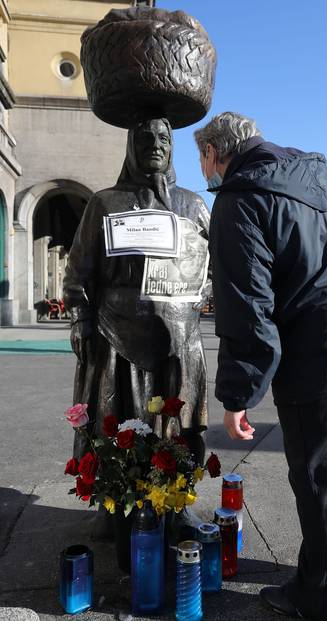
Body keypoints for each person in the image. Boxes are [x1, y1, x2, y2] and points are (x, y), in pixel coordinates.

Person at [194, 112, 327, 621]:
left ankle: (319, 594)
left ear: (215, 153)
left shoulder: (238, 199)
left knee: (318, 472)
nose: (202, 171)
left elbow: (246, 307)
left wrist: (238, 394)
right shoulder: (316, 172)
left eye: (200, 158)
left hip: (325, 343)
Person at [63, 119, 210, 538]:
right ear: (130, 146)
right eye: (145, 138)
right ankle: (114, 504)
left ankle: (178, 504)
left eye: (164, 139)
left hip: (179, 335)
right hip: (117, 333)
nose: (155, 146)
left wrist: (200, 287)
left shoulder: (192, 205)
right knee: (117, 420)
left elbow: (215, 265)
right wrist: (81, 318)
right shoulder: (105, 203)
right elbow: (78, 271)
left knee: (177, 425)